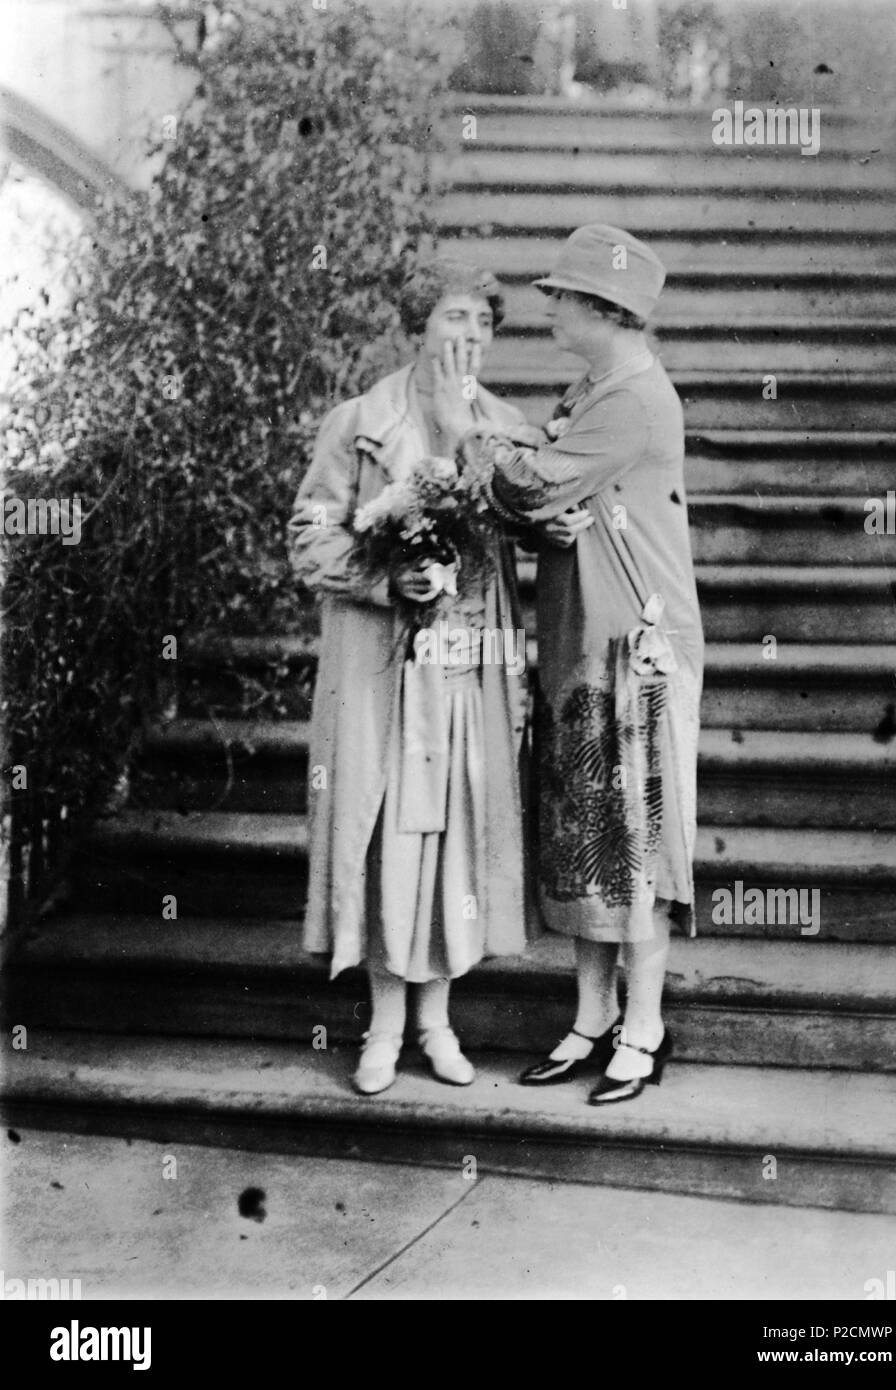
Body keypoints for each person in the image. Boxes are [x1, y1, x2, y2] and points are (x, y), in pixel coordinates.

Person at [440, 224, 704, 1104]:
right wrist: (537, 507)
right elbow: (543, 500)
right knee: (590, 842)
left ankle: (645, 1027)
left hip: (633, 648)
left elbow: (533, 483)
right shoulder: (597, 383)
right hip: (582, 638)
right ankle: (591, 1018)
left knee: (632, 844)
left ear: (602, 308)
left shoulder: (634, 397)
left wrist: (480, 445)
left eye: (561, 297)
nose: (547, 307)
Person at [288, 259, 532, 1097]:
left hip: (468, 665)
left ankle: (438, 1022)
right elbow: (310, 535)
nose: (468, 337)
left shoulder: (506, 426)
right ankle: (384, 1028)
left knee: (454, 832)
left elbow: (537, 524)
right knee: (386, 827)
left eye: (483, 324)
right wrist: (386, 577)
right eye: (454, 318)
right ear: (419, 325)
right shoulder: (359, 421)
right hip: (380, 665)